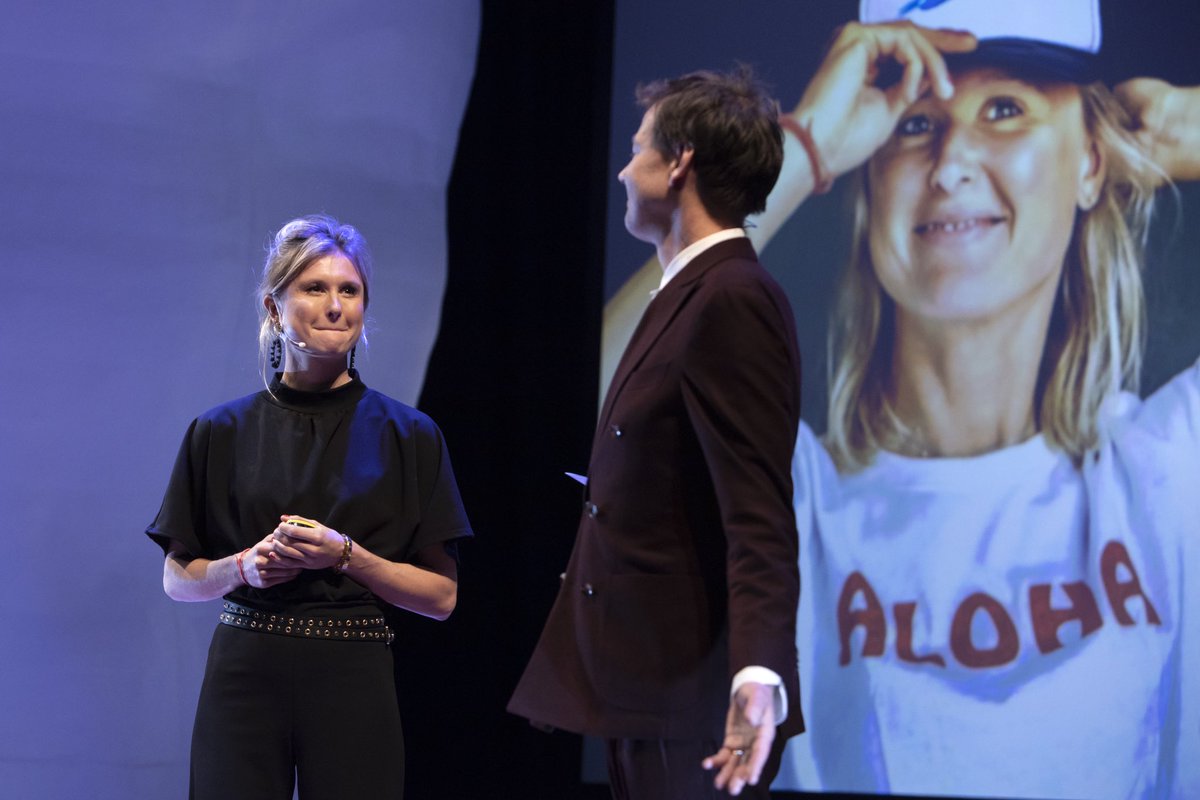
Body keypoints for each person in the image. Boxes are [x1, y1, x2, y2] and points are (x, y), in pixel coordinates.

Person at [734, 0, 1199, 796]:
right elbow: (589, 411)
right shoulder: (787, 494)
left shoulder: (1172, 471)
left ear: (1092, 161)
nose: (950, 164)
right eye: (914, 123)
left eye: (1006, 108)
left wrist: (1186, 126)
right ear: (866, 175)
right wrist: (801, 148)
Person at [508, 68, 804, 798]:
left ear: (680, 164)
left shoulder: (733, 298)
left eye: (639, 148)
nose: (621, 167)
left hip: (694, 703)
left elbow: (759, 513)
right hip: (645, 690)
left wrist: (758, 674)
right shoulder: (691, 292)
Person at [146, 214, 473, 800]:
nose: (334, 305)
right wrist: (244, 566)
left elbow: (442, 599)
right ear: (274, 309)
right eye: (314, 288)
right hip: (245, 669)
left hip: (352, 668)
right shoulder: (220, 430)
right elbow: (178, 578)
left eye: (349, 290)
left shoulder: (410, 434)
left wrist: (344, 555)